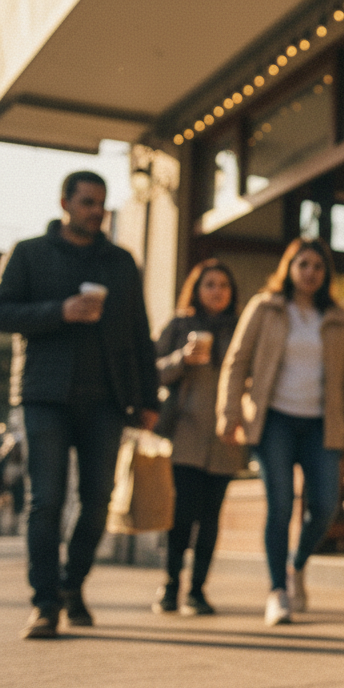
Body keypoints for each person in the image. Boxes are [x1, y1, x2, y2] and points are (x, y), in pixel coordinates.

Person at [0, 171, 159, 639]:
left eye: (101, 204)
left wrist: (148, 398)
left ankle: (73, 585)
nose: (96, 211)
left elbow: (139, 333)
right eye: (87, 202)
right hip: (43, 395)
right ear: (65, 202)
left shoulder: (120, 262)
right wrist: (60, 311)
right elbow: (3, 311)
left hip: (106, 399)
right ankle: (45, 603)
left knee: (98, 502)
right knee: (45, 501)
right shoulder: (29, 253)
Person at [218, 238, 344, 626]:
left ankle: (295, 566)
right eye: (303, 264)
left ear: (326, 273)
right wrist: (229, 412)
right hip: (274, 421)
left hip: (322, 423)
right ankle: (277, 592)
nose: (310, 272)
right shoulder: (265, 308)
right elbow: (237, 362)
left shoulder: (337, 316)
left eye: (318, 266)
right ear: (289, 267)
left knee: (324, 507)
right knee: (280, 505)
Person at [153, 259, 247, 616]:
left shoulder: (239, 328)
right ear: (197, 288)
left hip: (225, 436)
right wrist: (182, 359)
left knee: (210, 518)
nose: (217, 291)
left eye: (224, 285)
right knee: (182, 514)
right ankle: (170, 585)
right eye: (210, 284)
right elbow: (153, 372)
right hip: (185, 434)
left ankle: (197, 590)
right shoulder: (179, 326)